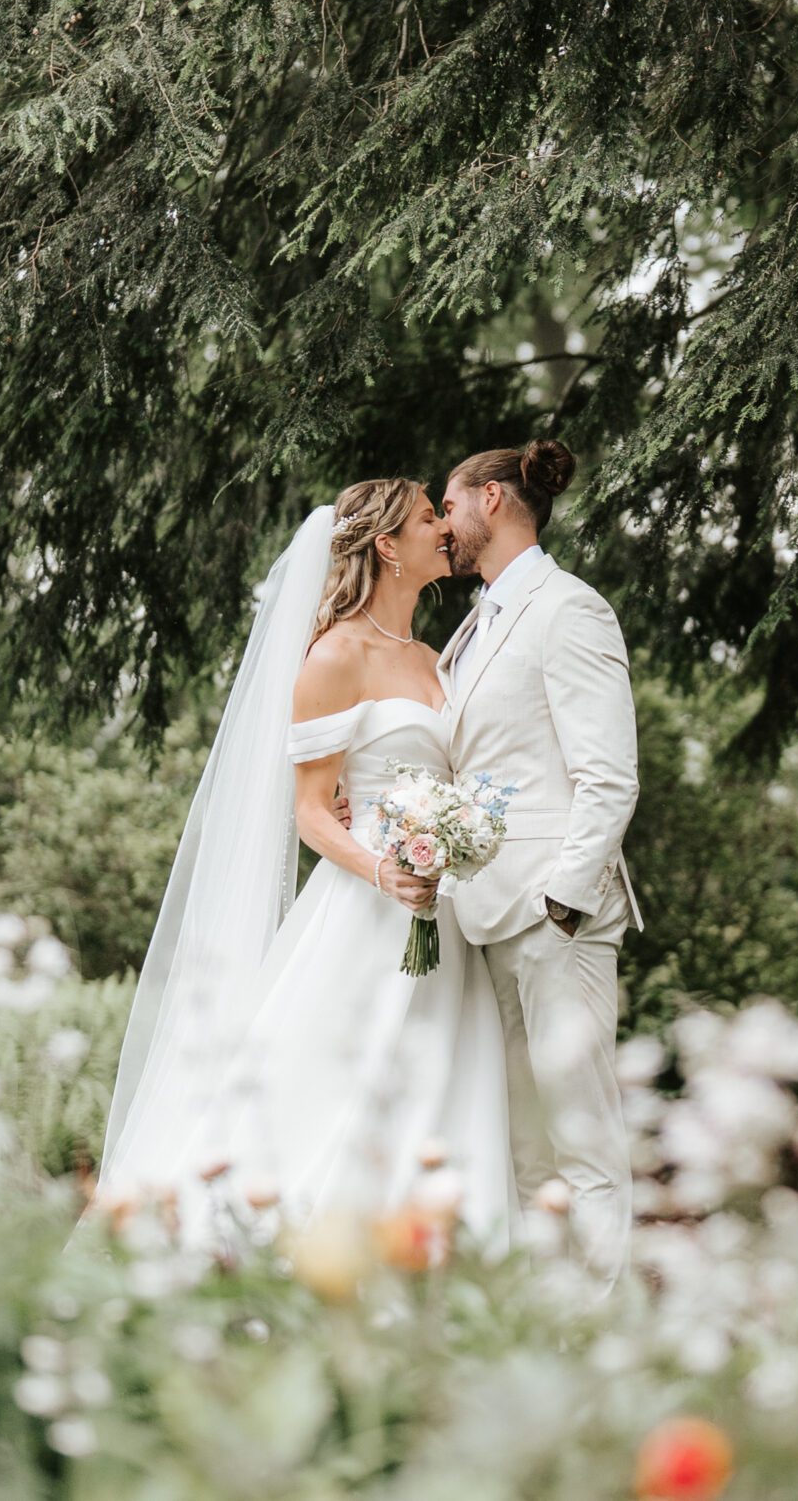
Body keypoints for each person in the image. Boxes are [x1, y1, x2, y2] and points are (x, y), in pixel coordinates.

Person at [91, 481, 513, 1252]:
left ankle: (438, 1258)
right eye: (429, 519)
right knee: (340, 1087)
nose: (444, 531)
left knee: (444, 1081)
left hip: (446, 910)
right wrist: (386, 870)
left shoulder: (434, 654)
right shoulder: (334, 654)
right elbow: (313, 812)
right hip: (371, 905)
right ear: (387, 544)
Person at [433, 439, 642, 1289]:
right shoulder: (474, 623)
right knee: (525, 1148)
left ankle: (605, 1333)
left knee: (583, 1140)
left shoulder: (569, 609)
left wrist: (563, 899)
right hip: (486, 914)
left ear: (490, 499)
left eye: (447, 507)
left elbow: (608, 773)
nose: (441, 526)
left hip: (557, 918)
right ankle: (550, 1332)